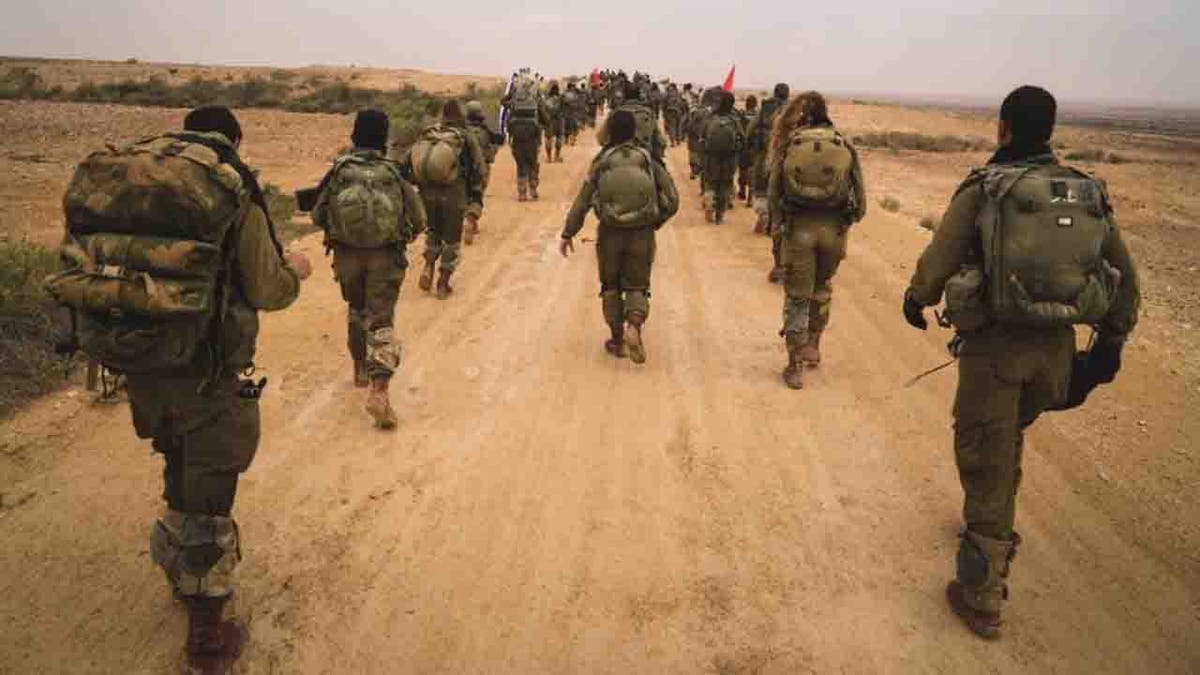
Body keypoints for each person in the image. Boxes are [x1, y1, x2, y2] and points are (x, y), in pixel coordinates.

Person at [48, 105, 311, 674]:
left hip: (133, 356)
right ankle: (206, 632)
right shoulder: (229, 185)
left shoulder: (121, 174)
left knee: (175, 451)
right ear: (232, 138)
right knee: (211, 483)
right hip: (206, 365)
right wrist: (297, 271)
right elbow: (268, 288)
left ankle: (182, 562)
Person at [903, 85, 1140, 639]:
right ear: (1050, 130)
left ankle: (981, 593)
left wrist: (916, 298)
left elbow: (939, 256)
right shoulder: (1083, 192)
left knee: (984, 453)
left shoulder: (988, 188)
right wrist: (1110, 345)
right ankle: (997, 525)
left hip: (995, 355)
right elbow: (1125, 277)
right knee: (1007, 439)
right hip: (1055, 356)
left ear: (1003, 128)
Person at [312, 110, 426, 429]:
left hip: (347, 257)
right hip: (385, 258)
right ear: (384, 138)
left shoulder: (339, 171)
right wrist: (404, 234)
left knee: (356, 309)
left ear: (354, 136)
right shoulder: (393, 172)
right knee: (381, 319)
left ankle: (360, 368)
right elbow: (419, 219)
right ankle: (379, 389)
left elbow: (317, 215)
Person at [560, 110, 679, 364]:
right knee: (637, 285)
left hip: (610, 233)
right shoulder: (648, 159)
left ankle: (617, 340)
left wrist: (568, 233)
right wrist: (654, 222)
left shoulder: (602, 160)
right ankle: (634, 326)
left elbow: (582, 201)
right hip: (642, 233)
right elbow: (673, 200)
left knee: (611, 287)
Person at [767, 91, 866, 389]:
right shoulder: (843, 144)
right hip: (832, 232)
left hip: (799, 231)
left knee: (797, 296)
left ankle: (794, 364)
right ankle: (813, 344)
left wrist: (779, 225)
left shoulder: (791, 145)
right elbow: (860, 202)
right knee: (821, 288)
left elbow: (774, 192)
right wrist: (844, 222)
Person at [398, 99, 486, 299]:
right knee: (452, 239)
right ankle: (443, 283)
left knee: (434, 232)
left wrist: (415, 182)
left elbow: (404, 164)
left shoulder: (429, 134)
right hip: (454, 193)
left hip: (427, 193)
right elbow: (479, 168)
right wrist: (473, 191)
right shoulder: (465, 136)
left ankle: (428, 266)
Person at [751, 83, 791, 279]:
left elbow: (751, 131)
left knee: (761, 189)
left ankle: (763, 214)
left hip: (765, 158)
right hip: (787, 163)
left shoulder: (764, 110)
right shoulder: (794, 112)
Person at [701, 90, 746, 224]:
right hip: (729, 158)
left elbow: (702, 136)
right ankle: (719, 217)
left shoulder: (710, 118)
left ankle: (709, 200)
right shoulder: (734, 120)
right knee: (725, 185)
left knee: (710, 182)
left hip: (711, 157)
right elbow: (743, 139)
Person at [598, 80, 668, 164]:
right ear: (639, 96)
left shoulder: (615, 113)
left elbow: (602, 139)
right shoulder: (648, 113)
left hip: (617, 153)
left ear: (624, 96)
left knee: (595, 170)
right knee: (663, 174)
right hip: (644, 155)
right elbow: (660, 141)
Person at [464, 99, 500, 244]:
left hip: (462, 168)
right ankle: (470, 220)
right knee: (477, 194)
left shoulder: (461, 130)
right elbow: (499, 140)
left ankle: (470, 218)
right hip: (481, 168)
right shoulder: (484, 131)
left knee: (464, 193)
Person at [502, 73, 543, 201]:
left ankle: (522, 193)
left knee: (521, 166)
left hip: (517, 139)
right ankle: (533, 188)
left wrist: (511, 92)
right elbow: (545, 118)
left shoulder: (514, 102)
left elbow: (503, 102)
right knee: (533, 164)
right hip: (533, 140)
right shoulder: (535, 102)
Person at [738, 95, 759, 204]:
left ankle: (742, 191)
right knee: (752, 171)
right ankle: (750, 196)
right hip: (755, 148)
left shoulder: (742, 116)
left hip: (743, 147)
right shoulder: (759, 117)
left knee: (742, 170)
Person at [541, 80, 566, 163]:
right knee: (559, 138)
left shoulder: (545, 99)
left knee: (548, 139)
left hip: (549, 121)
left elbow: (543, 110)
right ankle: (557, 156)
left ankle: (549, 158)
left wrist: (544, 120)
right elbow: (564, 109)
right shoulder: (561, 98)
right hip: (559, 120)